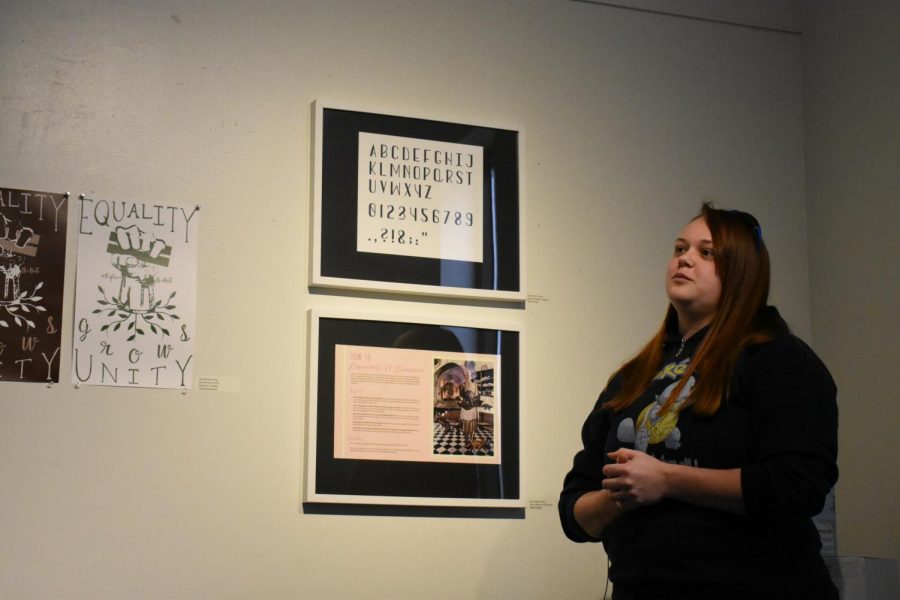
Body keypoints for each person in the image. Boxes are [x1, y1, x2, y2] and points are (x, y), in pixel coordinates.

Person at [558, 203, 839, 600]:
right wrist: (621, 495)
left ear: (742, 271)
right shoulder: (633, 376)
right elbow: (574, 514)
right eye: (679, 248)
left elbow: (799, 485)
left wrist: (667, 480)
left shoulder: (777, 359)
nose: (685, 259)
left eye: (706, 253)